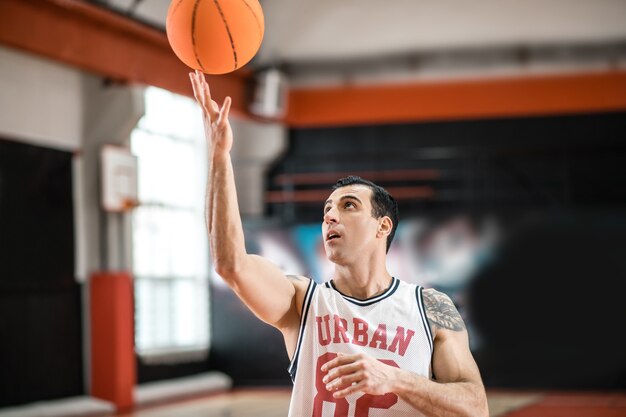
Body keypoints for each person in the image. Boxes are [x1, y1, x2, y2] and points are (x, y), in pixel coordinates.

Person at [189, 70, 489, 417]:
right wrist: (219, 157)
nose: (330, 216)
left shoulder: (430, 308)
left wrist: (395, 379)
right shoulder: (302, 302)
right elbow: (231, 264)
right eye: (326, 209)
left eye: (348, 206)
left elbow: (475, 408)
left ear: (383, 226)